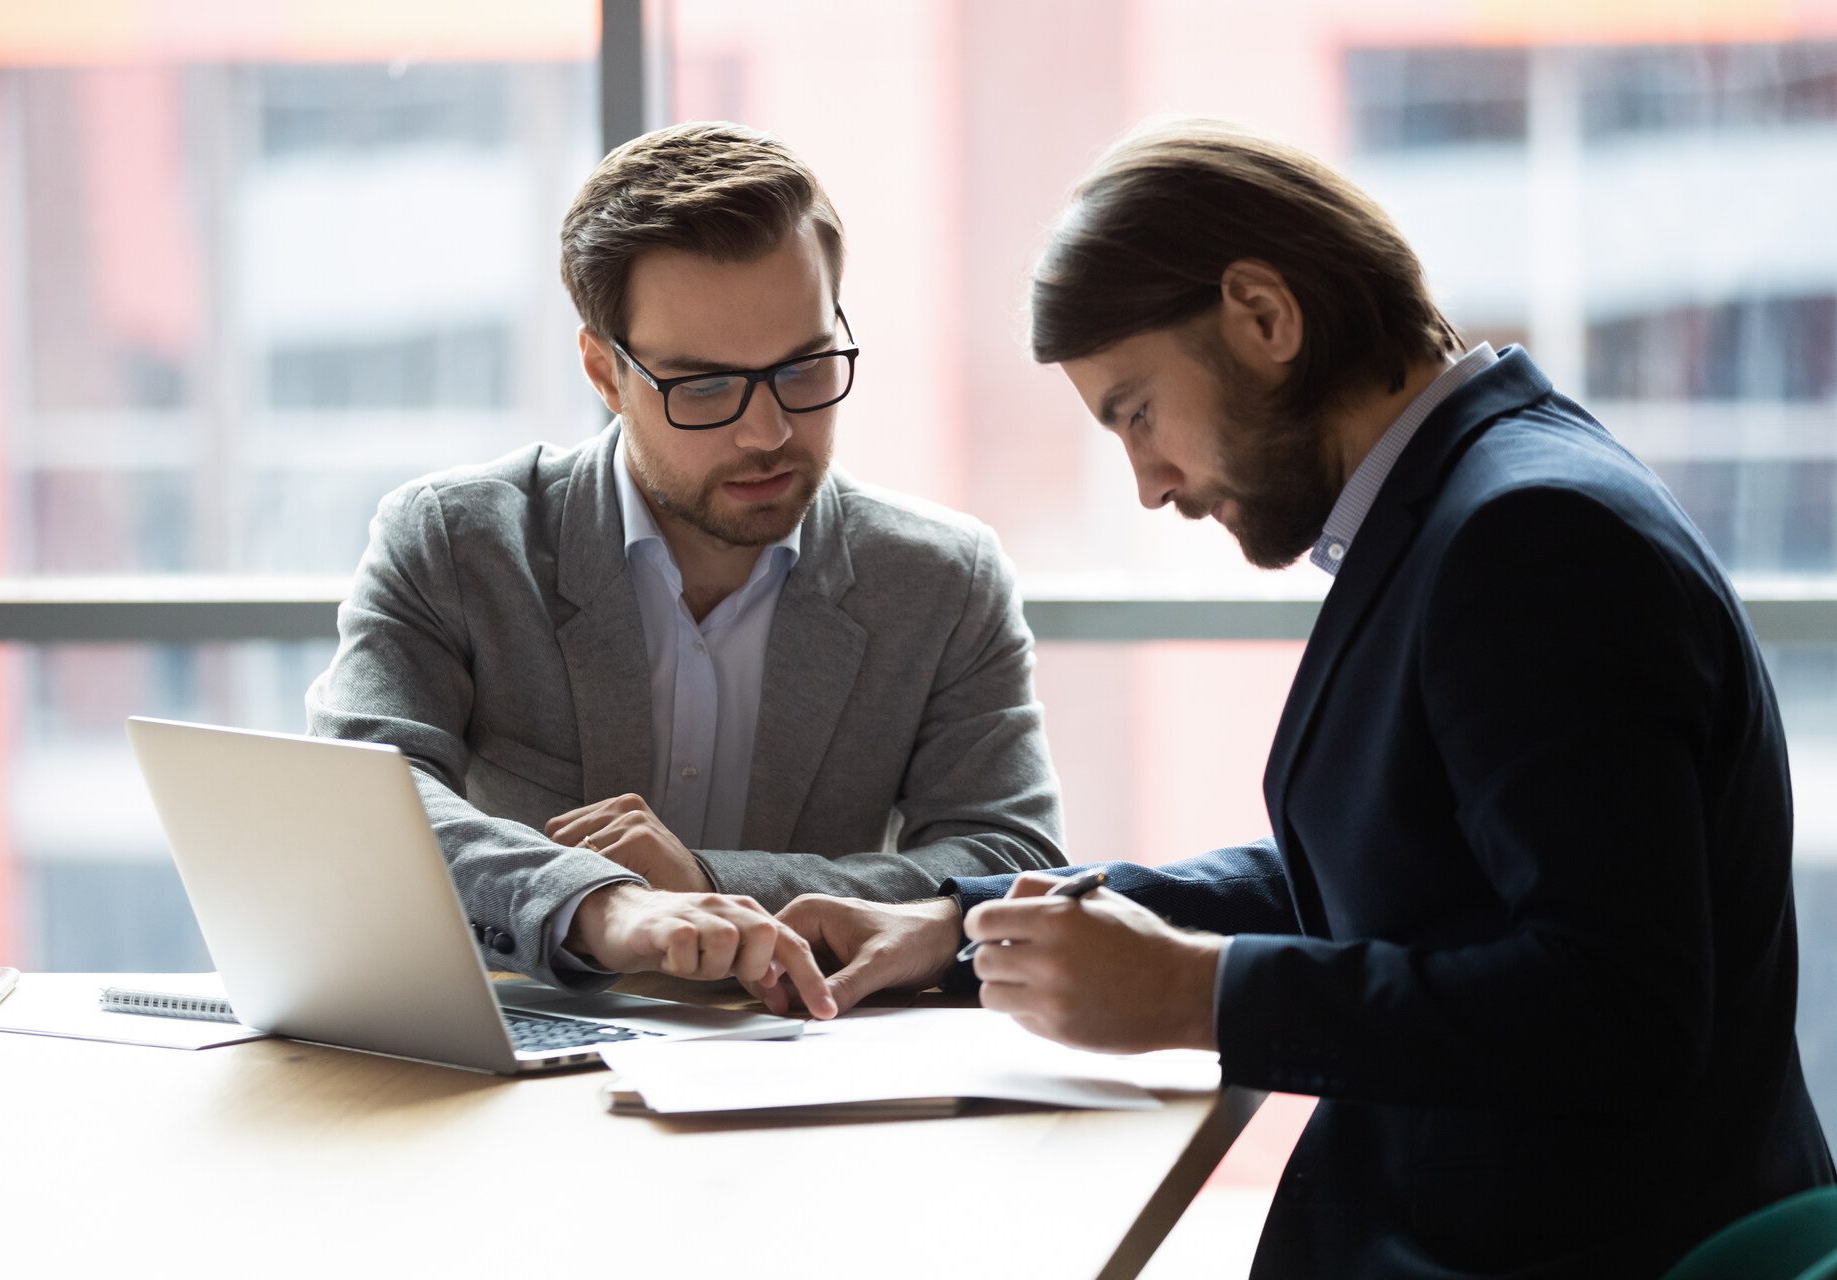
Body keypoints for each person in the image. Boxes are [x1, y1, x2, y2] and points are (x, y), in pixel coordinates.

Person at [759, 119, 1835, 1276]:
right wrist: (965, 928)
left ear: (1264, 315)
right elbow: (1401, 874)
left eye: (1135, 412)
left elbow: (1617, 1008)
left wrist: (1206, 996)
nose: (1149, 481)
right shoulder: (1475, 499)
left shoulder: (1531, 538)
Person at [307, 122, 1065, 1014]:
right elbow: (360, 801)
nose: (769, 432)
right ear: (605, 371)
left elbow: (1008, 861)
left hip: (809, 1070)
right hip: (514, 1059)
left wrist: (710, 879)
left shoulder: (942, 581)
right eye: (703, 387)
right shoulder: (459, 545)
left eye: (806, 366)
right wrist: (603, 907)